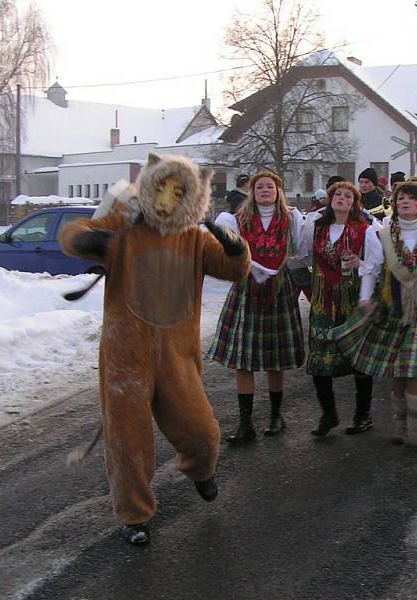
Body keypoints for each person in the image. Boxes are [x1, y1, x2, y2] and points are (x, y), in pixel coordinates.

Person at [59, 154, 251, 545]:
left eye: (177, 191)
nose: (167, 197)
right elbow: (73, 233)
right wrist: (86, 239)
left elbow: (234, 271)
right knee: (129, 441)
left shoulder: (195, 240)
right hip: (125, 358)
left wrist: (235, 249)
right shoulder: (124, 229)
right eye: (161, 188)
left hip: (178, 359)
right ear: (147, 189)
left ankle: (201, 471)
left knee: (202, 434)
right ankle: (135, 516)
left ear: (190, 199)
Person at [335, 180, 417, 446]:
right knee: (399, 369)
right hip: (391, 304)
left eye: (410, 198)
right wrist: (364, 299)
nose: (404, 202)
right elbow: (371, 270)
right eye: (400, 198)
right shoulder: (381, 234)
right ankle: (400, 424)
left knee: (414, 368)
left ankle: (416, 428)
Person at [207, 171, 305, 443]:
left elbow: (301, 251)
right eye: (259, 187)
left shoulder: (291, 218)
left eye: (269, 187)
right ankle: (245, 423)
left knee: (276, 359)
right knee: (243, 361)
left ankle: (276, 416)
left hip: (278, 288)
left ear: (278, 190)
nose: (264, 191)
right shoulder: (237, 219)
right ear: (252, 191)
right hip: (247, 287)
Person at [300, 181, 382, 436]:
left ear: (354, 203)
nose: (341, 198)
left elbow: (376, 265)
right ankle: (329, 413)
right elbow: (302, 256)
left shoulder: (365, 230)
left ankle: (362, 415)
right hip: (323, 300)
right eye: (337, 194)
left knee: (359, 359)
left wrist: (360, 264)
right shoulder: (316, 227)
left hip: (351, 298)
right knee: (318, 358)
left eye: (348, 196)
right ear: (330, 199)